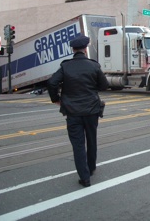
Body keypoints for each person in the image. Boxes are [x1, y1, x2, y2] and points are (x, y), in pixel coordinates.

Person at [47, 35, 109, 187]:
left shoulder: (66, 66)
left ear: (73, 49)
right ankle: (92, 167)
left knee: (78, 144)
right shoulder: (94, 65)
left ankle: (84, 177)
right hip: (91, 110)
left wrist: (56, 99)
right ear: (85, 49)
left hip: (72, 112)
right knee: (91, 139)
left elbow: (52, 83)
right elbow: (104, 85)